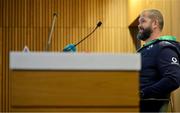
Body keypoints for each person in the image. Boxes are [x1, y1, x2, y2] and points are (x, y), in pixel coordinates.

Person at [137, 9, 180, 112]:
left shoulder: (163, 48)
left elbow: (173, 79)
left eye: (143, 21)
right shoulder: (144, 50)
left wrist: (142, 93)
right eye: (139, 22)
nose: (139, 25)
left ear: (155, 23)